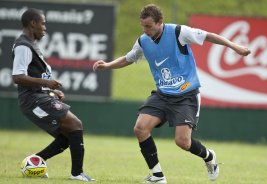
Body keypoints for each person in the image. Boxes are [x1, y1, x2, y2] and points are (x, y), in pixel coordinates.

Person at [93, 4, 251, 183]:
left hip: (186, 95)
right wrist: (108, 65)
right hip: (162, 95)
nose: (145, 30)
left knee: (183, 142)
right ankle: (157, 175)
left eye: (149, 26)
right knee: (140, 128)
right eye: (143, 26)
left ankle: (209, 157)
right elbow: (129, 58)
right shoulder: (143, 41)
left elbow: (209, 36)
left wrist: (235, 47)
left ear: (160, 22)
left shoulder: (178, 32)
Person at [12, 8, 94, 182]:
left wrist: (51, 91)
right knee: (75, 124)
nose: (45, 28)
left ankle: (33, 162)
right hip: (32, 100)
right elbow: (17, 77)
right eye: (43, 23)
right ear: (32, 23)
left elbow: (34, 77)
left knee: (67, 137)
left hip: (40, 96)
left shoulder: (31, 45)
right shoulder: (23, 46)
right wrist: (46, 83)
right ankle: (77, 174)